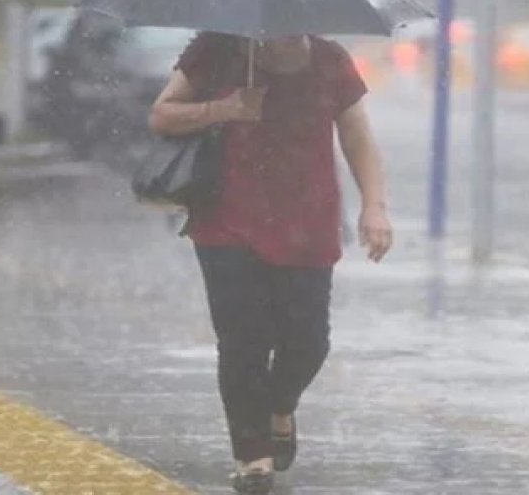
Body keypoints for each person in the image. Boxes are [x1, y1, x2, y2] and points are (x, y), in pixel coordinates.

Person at [148, 32, 393, 494]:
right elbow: (161, 115)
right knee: (242, 343)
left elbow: (357, 134)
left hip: (308, 221)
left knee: (308, 342)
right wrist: (223, 108)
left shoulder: (328, 60)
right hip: (227, 221)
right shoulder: (216, 50)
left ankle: (280, 408)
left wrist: (374, 206)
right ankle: (252, 458)